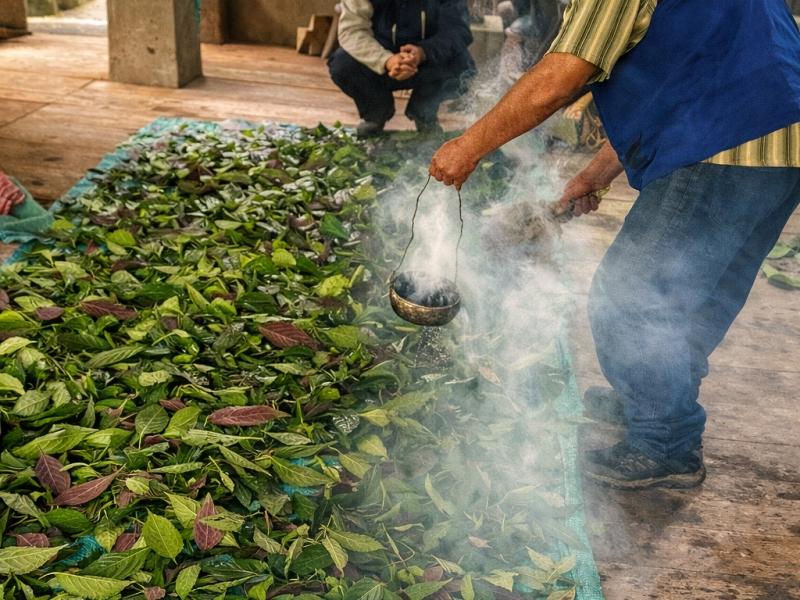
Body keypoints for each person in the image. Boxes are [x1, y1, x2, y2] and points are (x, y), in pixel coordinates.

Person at [428, 0, 800, 490]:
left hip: (722, 139)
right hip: (779, 139)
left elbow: (560, 76)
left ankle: (665, 444)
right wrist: (594, 174)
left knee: (634, 299)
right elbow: (685, 73)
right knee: (695, 294)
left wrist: (468, 145)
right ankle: (651, 400)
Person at [328, 0, 475, 137]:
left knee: (462, 68)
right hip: (379, 62)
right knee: (343, 64)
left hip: (427, 62)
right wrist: (386, 60)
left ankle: (424, 112)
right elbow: (352, 31)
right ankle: (375, 113)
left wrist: (424, 52)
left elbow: (458, 30)